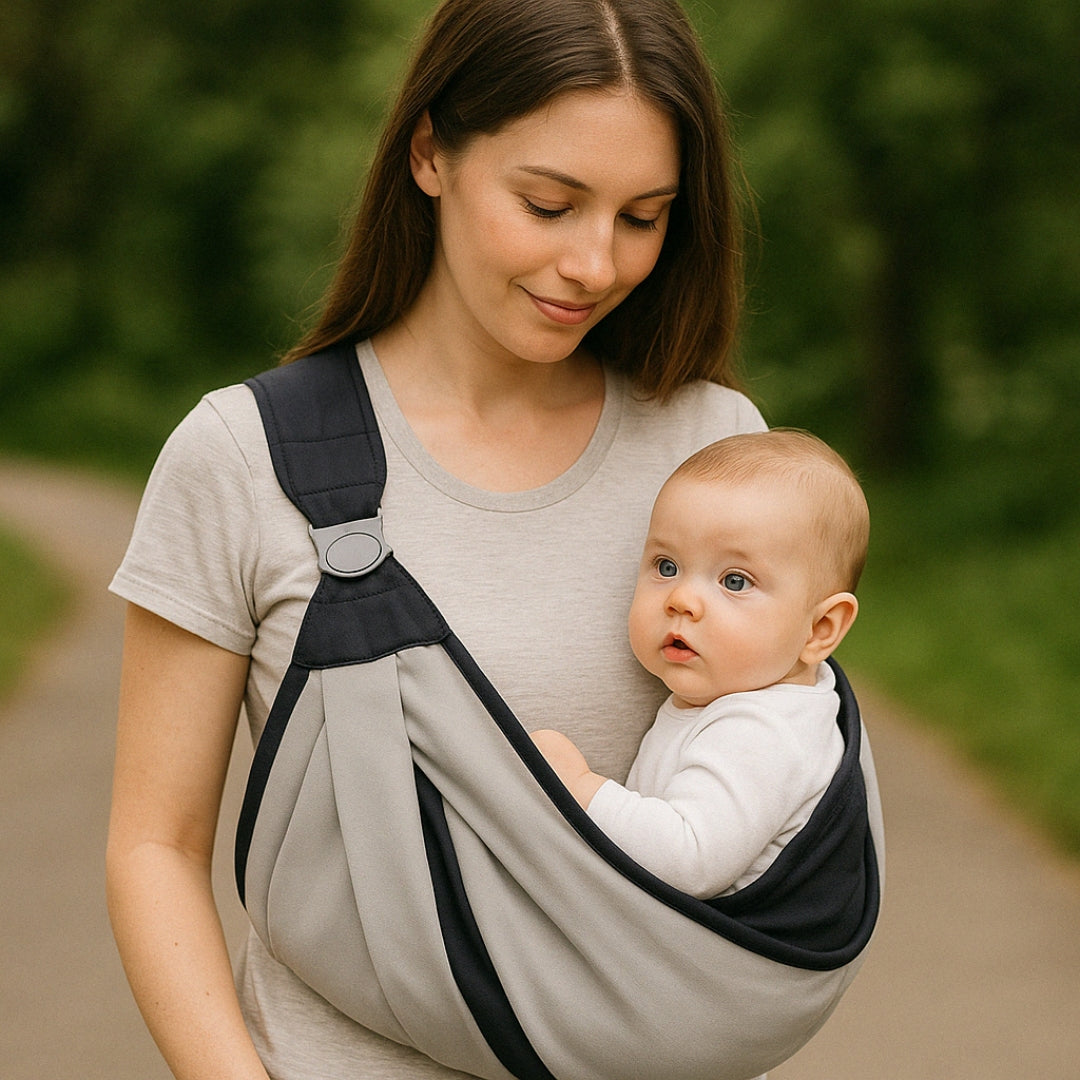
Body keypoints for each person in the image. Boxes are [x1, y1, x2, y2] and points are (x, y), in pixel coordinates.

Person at [104, 0, 820, 1077]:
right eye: (549, 204)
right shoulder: (247, 458)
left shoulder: (714, 451)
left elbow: (781, 785)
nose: (595, 263)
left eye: (643, 217)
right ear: (431, 152)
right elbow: (155, 847)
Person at [530, 429, 868, 900]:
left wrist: (580, 787)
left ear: (819, 629)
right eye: (666, 566)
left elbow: (689, 860)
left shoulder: (766, 730)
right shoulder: (745, 700)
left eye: (735, 580)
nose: (682, 599)